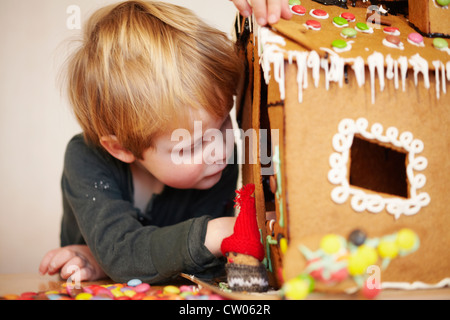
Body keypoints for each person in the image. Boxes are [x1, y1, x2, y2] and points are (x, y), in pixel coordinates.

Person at [39, 0, 292, 283]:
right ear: (120, 148)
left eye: (223, 123)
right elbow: (124, 255)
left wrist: (105, 260)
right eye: (191, 146)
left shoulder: (214, 168)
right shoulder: (86, 159)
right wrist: (221, 232)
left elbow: (201, 271)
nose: (221, 151)